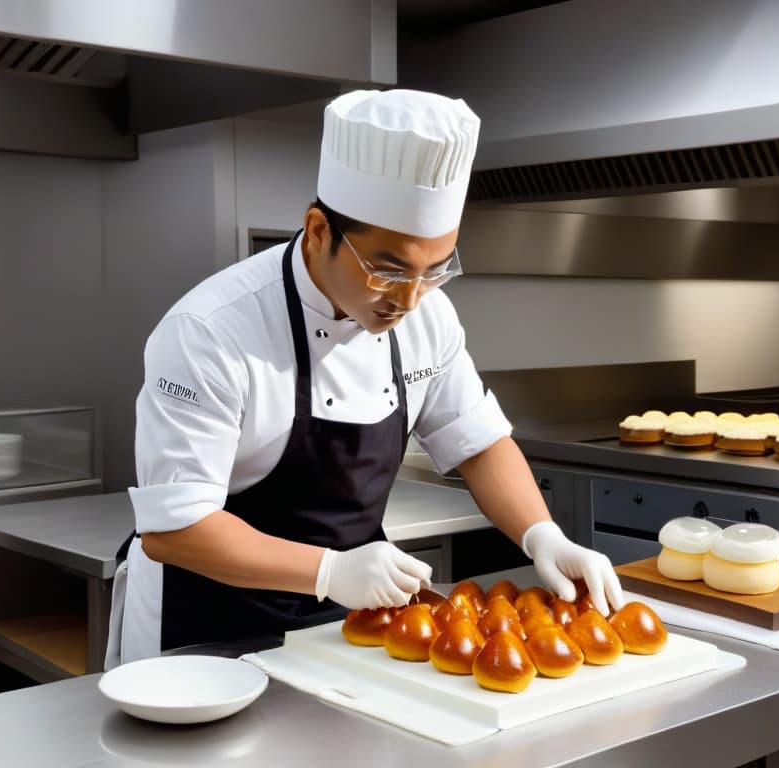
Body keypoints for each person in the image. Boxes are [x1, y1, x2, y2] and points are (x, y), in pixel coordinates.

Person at [105, 89, 624, 667]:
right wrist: (330, 568)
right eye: (387, 269)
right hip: (205, 627)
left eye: (436, 271)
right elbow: (175, 530)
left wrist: (542, 535)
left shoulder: (428, 315)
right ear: (318, 230)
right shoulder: (211, 332)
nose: (408, 299)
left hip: (343, 625)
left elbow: (477, 442)